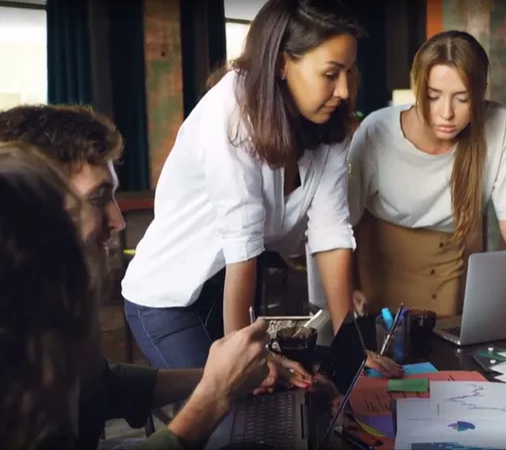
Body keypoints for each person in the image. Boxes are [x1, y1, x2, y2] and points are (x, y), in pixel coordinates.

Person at [121, 0, 400, 377]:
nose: (345, 91)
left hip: (232, 285)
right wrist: (250, 363)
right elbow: (242, 241)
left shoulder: (329, 123)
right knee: (226, 411)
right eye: (331, 73)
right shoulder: (230, 113)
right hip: (169, 297)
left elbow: (331, 232)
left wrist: (350, 345)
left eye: (350, 72)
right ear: (283, 63)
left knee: (267, 405)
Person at [0, 104, 307, 449]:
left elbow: (100, 383)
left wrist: (226, 377)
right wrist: (213, 396)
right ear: (31, 204)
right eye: (98, 198)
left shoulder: (42, 312)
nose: (117, 221)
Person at [339, 30, 506, 317]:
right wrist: (347, 289)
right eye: (433, 96)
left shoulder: (500, 125)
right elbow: (343, 224)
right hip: (378, 269)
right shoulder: (376, 131)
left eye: (462, 98)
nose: (446, 113)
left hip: (446, 271)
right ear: (417, 87)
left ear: (479, 93)